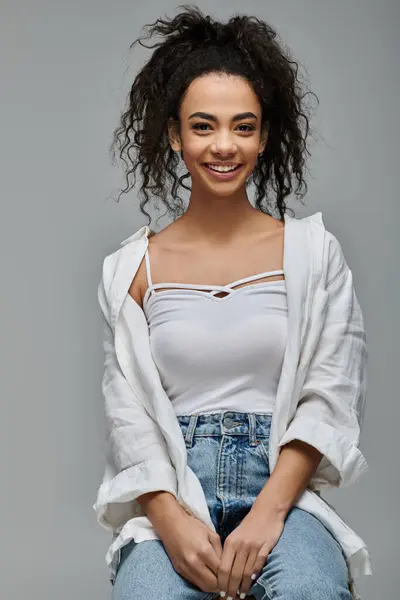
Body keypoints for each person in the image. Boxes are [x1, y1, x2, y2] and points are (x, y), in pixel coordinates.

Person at [94, 6, 371, 600]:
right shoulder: (131, 270)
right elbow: (129, 417)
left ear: (265, 136)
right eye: (203, 126)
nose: (224, 145)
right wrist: (167, 519)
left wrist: (271, 512)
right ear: (173, 134)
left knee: (308, 592)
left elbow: (331, 391)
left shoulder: (315, 254)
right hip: (174, 493)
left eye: (243, 127)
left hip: (284, 490)